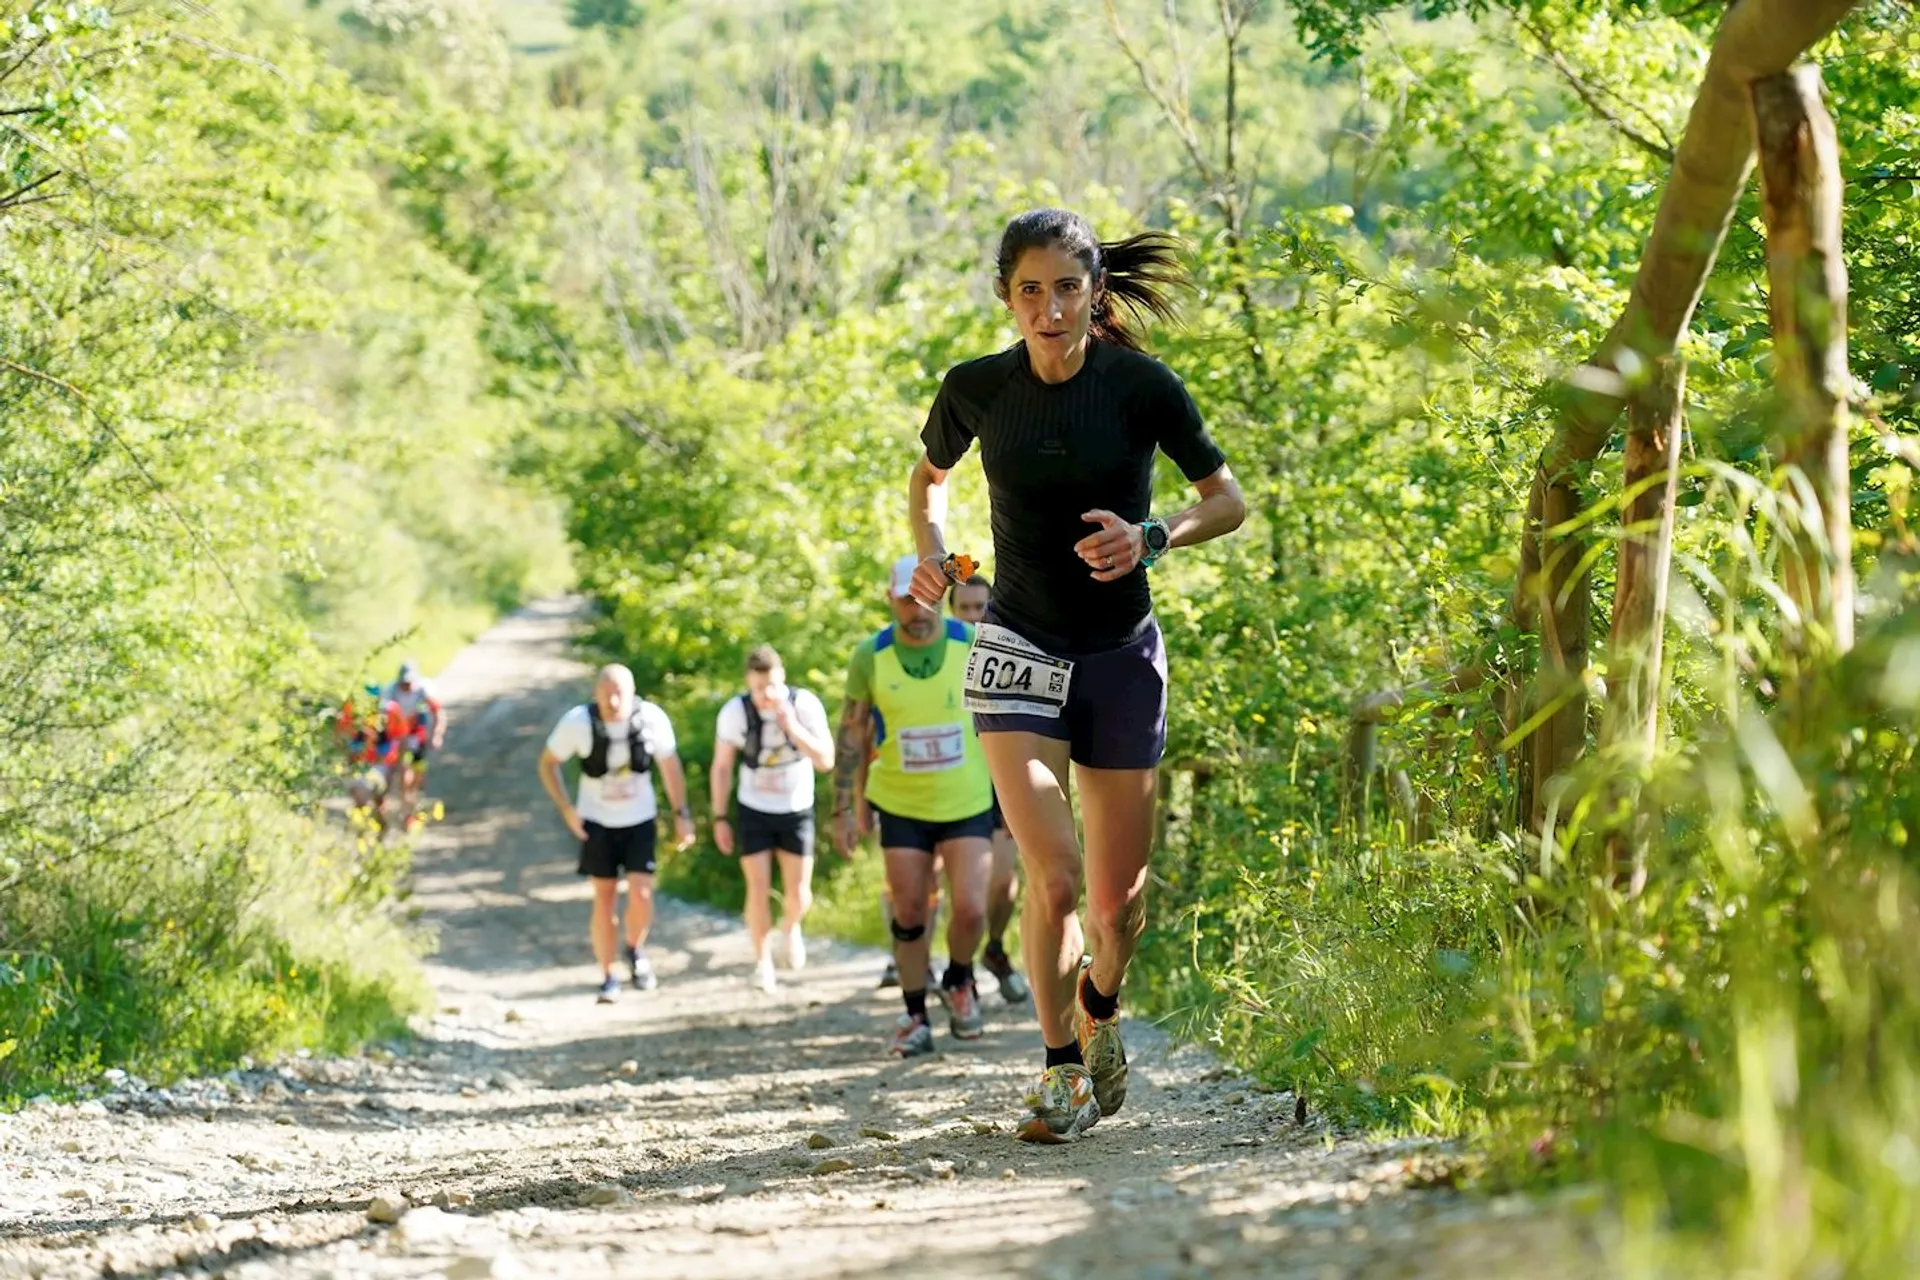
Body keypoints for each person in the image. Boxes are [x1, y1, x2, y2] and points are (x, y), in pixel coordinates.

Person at [905, 208, 1246, 1141]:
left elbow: (1229, 502)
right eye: (1029, 290)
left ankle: (1100, 1003)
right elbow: (927, 481)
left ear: (1094, 293)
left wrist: (1152, 537)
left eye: (1066, 288)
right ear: (1006, 297)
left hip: (1121, 654)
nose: (1048, 308)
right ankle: (1059, 1071)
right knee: (1053, 879)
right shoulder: (975, 388)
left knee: (1117, 904)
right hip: (1017, 644)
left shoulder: (1141, 387)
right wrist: (936, 559)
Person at [833, 555, 997, 1057]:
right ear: (891, 601)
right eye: (906, 598)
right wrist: (844, 806)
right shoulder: (871, 655)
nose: (916, 607)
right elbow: (853, 732)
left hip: (966, 797)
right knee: (909, 910)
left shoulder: (969, 643)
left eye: (925, 596)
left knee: (970, 908)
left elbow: (1006, 716)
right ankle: (914, 1015)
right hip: (900, 801)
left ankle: (960, 978)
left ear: (941, 595)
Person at [873, 575, 1031, 1004]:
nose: (975, 617)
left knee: (1000, 883)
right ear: (951, 611)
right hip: (943, 785)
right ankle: (917, 958)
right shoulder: (942, 651)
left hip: (997, 782)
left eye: (983, 608)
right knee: (922, 882)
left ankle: (993, 951)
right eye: (966, 609)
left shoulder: (1004, 652)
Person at [538, 664, 697, 1003]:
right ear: (595, 693)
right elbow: (547, 763)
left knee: (641, 894)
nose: (612, 700)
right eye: (606, 692)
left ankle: (635, 949)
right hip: (596, 822)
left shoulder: (651, 719)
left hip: (640, 818)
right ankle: (608, 974)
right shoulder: (578, 723)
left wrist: (682, 815)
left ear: (632, 692)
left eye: (619, 692)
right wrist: (567, 809)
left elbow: (670, 767)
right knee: (604, 896)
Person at [711, 645, 834, 993]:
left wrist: (792, 726)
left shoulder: (804, 705)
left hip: (796, 808)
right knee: (759, 886)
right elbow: (721, 766)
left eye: (771, 686)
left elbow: (826, 760)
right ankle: (762, 961)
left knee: (799, 894)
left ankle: (790, 928)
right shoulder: (735, 712)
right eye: (757, 689)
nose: (765, 696)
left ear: (782, 679)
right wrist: (720, 817)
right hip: (754, 809)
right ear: (748, 685)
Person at [382, 659, 446, 825]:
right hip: (396, 738)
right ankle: (396, 811)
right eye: (404, 683)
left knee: (416, 777)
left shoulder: (423, 691)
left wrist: (437, 734)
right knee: (401, 773)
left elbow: (439, 713)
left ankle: (411, 805)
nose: (407, 686)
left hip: (417, 738)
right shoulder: (390, 692)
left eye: (410, 682)